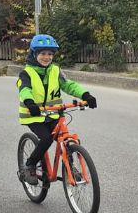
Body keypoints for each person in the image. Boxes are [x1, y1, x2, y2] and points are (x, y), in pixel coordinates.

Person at [16, 34, 97, 185]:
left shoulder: (55, 70)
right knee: (46, 139)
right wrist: (30, 103)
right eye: (43, 53)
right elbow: (25, 90)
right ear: (34, 54)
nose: (47, 57)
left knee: (65, 138)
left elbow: (68, 85)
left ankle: (70, 166)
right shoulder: (26, 73)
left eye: (50, 54)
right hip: (34, 116)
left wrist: (85, 95)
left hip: (53, 114)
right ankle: (30, 165)